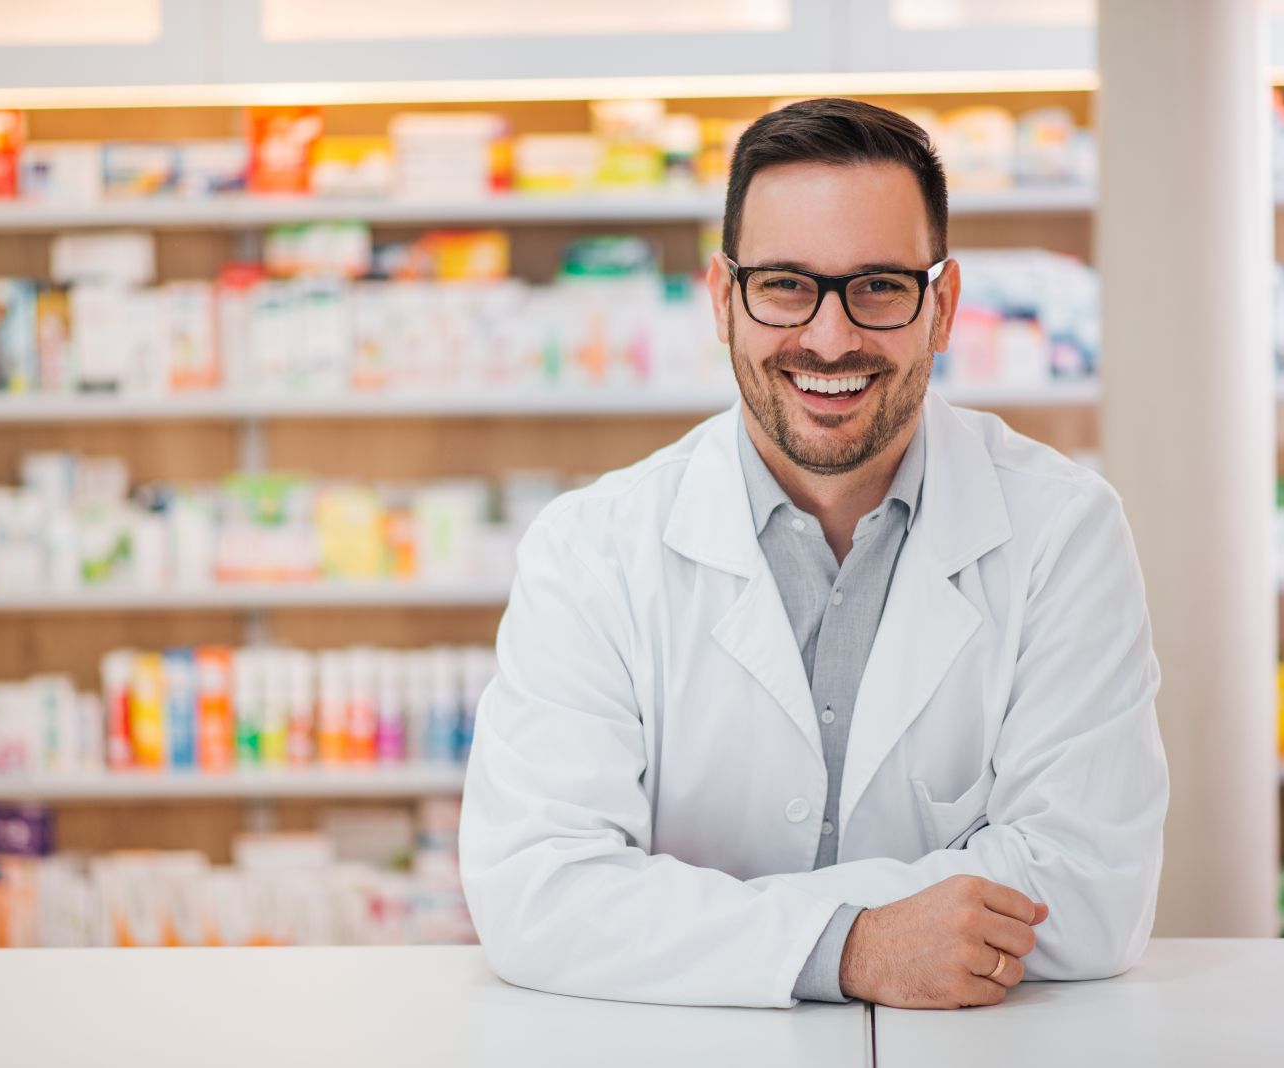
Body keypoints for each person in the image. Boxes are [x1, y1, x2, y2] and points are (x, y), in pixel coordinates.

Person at [458, 97, 1169, 1010]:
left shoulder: (1064, 534)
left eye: (878, 285)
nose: (829, 337)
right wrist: (854, 948)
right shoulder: (591, 550)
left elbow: (1088, 893)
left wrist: (669, 920)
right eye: (786, 284)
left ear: (942, 307)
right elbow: (539, 893)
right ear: (723, 300)